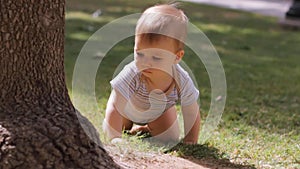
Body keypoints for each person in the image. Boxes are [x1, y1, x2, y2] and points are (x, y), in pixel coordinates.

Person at [103, 3, 201, 144]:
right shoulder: (132, 73)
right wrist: (115, 138)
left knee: (169, 138)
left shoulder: (181, 79)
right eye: (140, 54)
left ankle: (144, 128)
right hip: (127, 108)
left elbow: (191, 110)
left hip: (158, 112)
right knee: (116, 125)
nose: (146, 62)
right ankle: (121, 129)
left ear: (177, 56)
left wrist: (191, 140)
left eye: (156, 58)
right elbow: (115, 106)